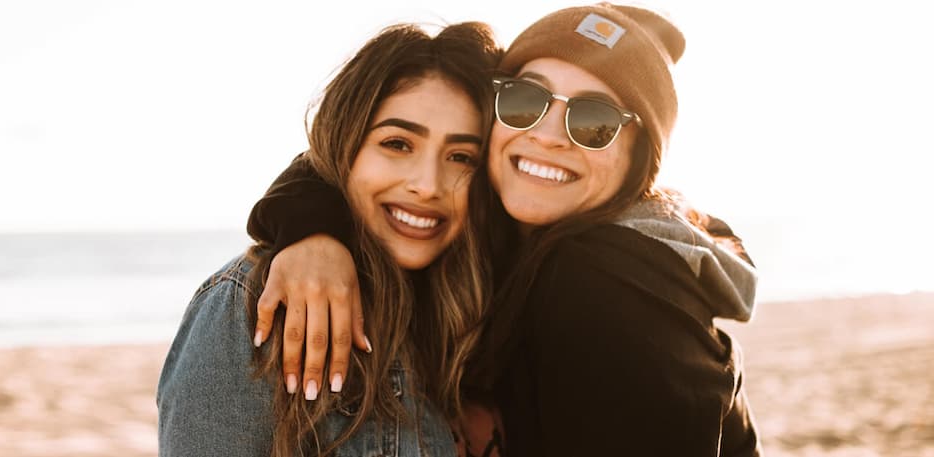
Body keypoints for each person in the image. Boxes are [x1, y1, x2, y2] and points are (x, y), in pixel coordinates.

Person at [245, 3, 762, 456]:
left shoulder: (606, 282)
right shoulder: (509, 230)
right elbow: (349, 151)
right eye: (524, 101)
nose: (547, 136)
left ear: (639, 161)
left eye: (594, 121)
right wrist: (314, 231)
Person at [156, 21, 502, 456]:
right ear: (345, 147)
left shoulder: (479, 304)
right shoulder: (253, 305)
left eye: (460, 157)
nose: (428, 185)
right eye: (397, 144)